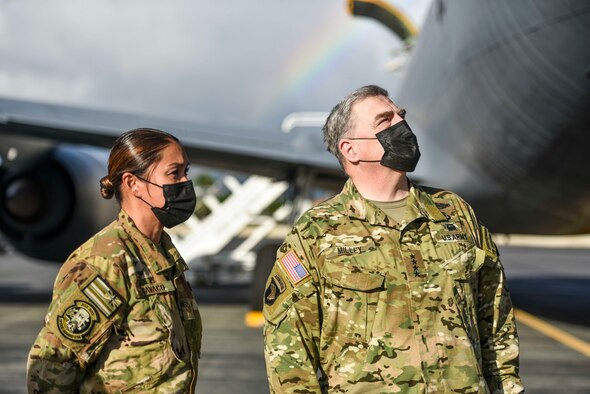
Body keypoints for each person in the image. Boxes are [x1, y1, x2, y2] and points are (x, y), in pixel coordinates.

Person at [263, 85, 524, 393]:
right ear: (350, 149)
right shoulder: (316, 231)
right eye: (384, 121)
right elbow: (289, 348)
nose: (400, 125)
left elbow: (495, 319)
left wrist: (508, 387)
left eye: (401, 116)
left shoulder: (456, 213)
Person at [27, 128, 202, 393]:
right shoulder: (104, 261)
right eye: (174, 173)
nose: (185, 181)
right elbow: (52, 369)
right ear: (133, 183)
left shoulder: (162, 255)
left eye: (185, 171)